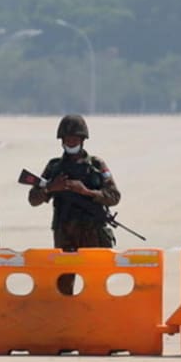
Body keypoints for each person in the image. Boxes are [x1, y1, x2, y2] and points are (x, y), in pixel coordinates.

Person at [28, 114, 121, 295]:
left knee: (96, 286)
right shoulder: (54, 167)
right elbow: (33, 199)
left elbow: (114, 196)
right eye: (68, 139)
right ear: (62, 141)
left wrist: (86, 192)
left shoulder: (96, 165)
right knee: (63, 286)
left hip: (93, 232)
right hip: (65, 233)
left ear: (83, 140)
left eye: (75, 139)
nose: (71, 143)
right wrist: (50, 188)